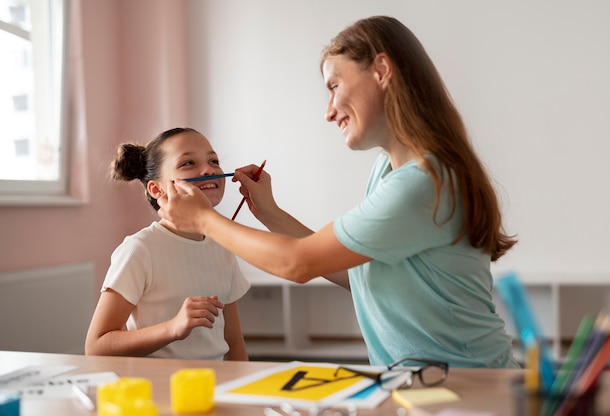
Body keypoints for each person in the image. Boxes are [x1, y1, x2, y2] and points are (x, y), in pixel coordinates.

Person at [157, 16, 519, 368]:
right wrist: (269, 212)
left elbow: (298, 263)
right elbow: (354, 274)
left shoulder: (422, 184)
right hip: (425, 389)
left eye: (334, 86)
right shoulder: (387, 171)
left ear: (381, 70)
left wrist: (205, 220)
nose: (329, 113)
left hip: (471, 388)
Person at [85, 127, 250, 360]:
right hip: (161, 390)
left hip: (215, 387)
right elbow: (96, 346)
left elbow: (233, 342)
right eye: (188, 163)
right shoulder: (140, 249)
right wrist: (173, 328)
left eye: (213, 160)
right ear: (156, 189)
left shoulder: (222, 245)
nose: (208, 170)